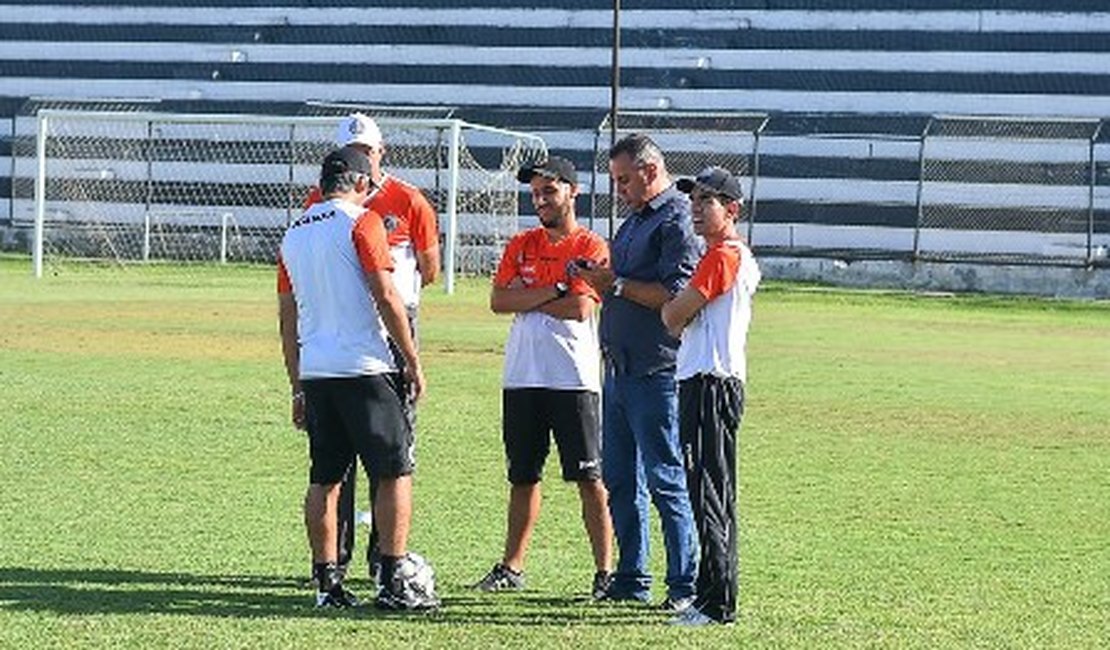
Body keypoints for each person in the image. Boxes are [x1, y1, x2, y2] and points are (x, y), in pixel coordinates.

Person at [278, 145, 438, 611]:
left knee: (325, 478)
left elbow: (287, 319)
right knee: (394, 471)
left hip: (318, 372)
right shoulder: (362, 222)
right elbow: (387, 294)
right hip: (365, 366)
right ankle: (393, 580)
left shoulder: (294, 233)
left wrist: (297, 384)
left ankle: (327, 586)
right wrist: (411, 358)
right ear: (363, 183)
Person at [471, 156, 615, 599]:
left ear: (573, 192)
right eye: (535, 193)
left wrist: (529, 297)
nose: (540, 200)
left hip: (573, 378)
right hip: (523, 377)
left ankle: (605, 572)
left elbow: (582, 308)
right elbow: (498, 300)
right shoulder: (521, 243)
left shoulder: (591, 246)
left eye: (549, 191)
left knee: (590, 479)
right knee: (523, 476)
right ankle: (512, 566)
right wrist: (555, 290)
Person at [577, 133, 701, 610]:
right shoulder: (634, 221)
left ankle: (683, 583)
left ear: (651, 172)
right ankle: (632, 577)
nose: (620, 190)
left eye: (625, 180)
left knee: (666, 478)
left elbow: (676, 297)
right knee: (621, 480)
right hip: (621, 370)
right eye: (615, 181)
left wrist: (617, 285)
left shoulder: (675, 219)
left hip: (658, 370)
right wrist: (602, 280)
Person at [661, 167, 761, 626]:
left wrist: (673, 308)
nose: (696, 209)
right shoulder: (721, 255)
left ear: (732, 209)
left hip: (710, 382)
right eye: (694, 200)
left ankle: (717, 603)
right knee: (709, 490)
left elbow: (674, 314)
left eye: (708, 201)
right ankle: (707, 594)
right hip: (708, 381)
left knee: (710, 494)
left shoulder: (722, 255)